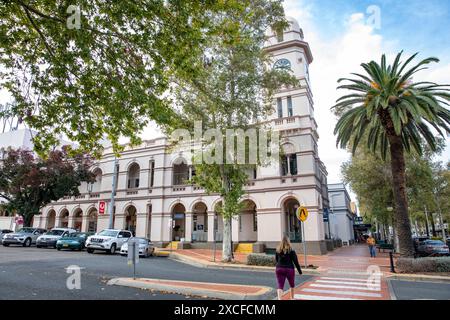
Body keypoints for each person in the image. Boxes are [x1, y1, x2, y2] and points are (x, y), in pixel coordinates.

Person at [275, 236, 302, 300]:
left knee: (280, 285)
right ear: (288, 242)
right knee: (292, 284)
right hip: (289, 269)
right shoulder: (291, 250)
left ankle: (279, 299)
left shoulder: (278, 250)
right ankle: (292, 298)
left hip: (279, 268)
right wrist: (299, 271)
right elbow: (296, 262)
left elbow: (276, 260)